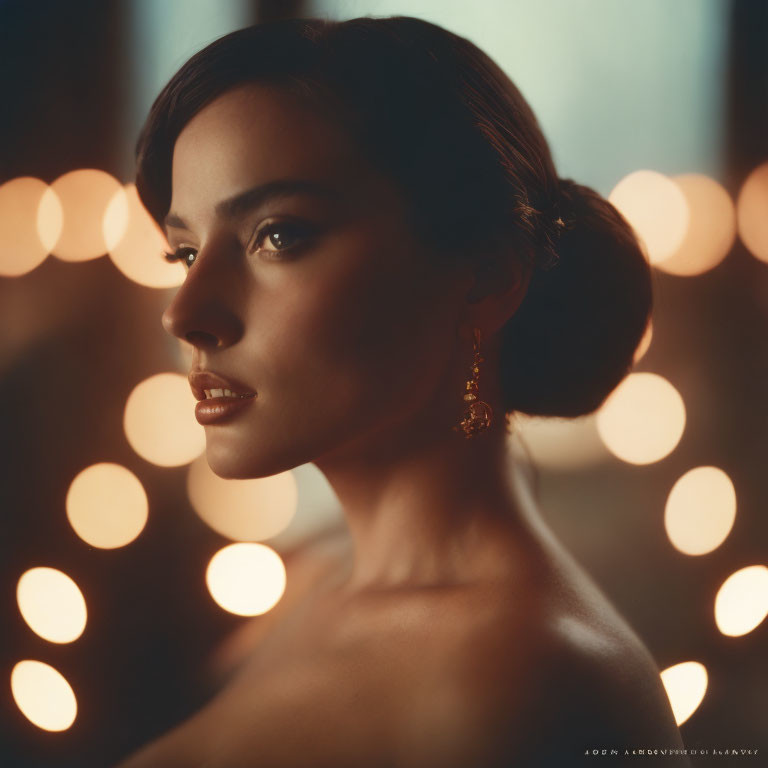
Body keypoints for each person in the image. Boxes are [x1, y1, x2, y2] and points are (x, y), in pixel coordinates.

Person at [117, 16, 690, 767]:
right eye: (184, 252)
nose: (184, 313)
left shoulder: (526, 688)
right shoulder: (310, 579)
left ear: (487, 276)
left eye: (278, 234)